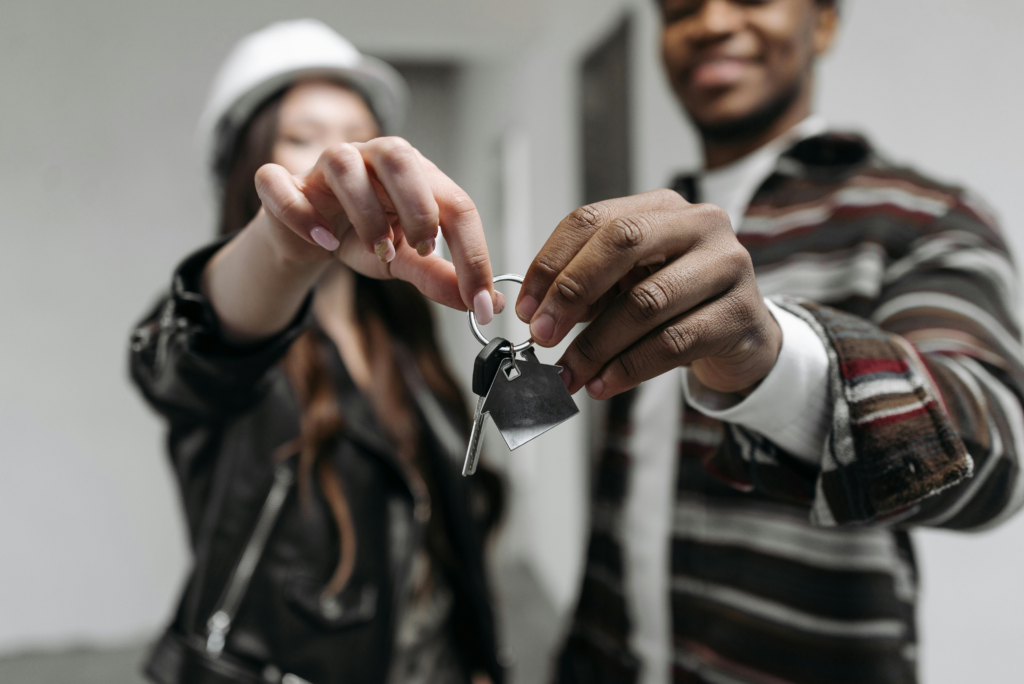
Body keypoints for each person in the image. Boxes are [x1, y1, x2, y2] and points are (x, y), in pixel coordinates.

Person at [525, 1, 1024, 683]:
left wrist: (775, 358)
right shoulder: (641, 227)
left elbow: (998, 455)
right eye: (680, 9)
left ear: (824, 22)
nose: (710, 22)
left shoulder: (922, 217)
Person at [129, 19, 505, 684]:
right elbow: (189, 354)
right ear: (248, 168)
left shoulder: (402, 333)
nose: (343, 158)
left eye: (358, 137)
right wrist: (282, 246)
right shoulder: (224, 323)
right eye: (304, 139)